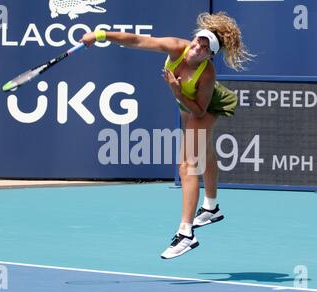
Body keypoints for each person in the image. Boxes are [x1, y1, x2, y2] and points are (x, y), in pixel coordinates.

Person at [80, 11, 253, 259]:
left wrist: (176, 90)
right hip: (186, 102)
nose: (197, 48)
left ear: (211, 56)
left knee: (187, 165)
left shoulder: (207, 74)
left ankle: (186, 233)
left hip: (205, 104)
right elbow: (137, 40)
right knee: (205, 151)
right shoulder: (176, 47)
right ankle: (211, 207)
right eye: (198, 41)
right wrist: (100, 34)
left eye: (205, 49)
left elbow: (200, 109)